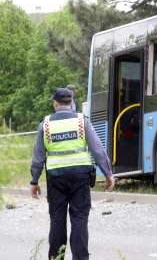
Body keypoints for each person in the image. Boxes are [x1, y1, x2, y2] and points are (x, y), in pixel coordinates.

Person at [30, 88, 115, 260]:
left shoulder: (45, 125)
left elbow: (38, 157)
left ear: (55, 103)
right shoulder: (82, 121)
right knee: (79, 219)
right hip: (80, 177)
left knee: (57, 220)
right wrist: (108, 173)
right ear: (71, 102)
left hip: (56, 179)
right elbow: (97, 149)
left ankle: (56, 257)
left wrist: (34, 180)